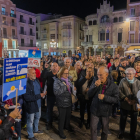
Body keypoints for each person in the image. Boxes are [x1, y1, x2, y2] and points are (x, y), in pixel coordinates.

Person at [88, 66, 119, 140]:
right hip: (95, 110)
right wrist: (94, 86)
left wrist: (104, 97)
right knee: (93, 129)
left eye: (101, 75)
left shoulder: (113, 85)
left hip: (106, 111)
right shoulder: (95, 81)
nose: (99, 77)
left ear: (106, 74)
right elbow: (89, 94)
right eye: (98, 74)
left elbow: (116, 99)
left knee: (105, 131)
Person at [53, 67, 76, 139]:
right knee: (62, 118)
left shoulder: (68, 80)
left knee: (68, 116)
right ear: (61, 73)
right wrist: (65, 87)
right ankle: (60, 131)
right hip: (61, 102)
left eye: (67, 73)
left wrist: (73, 89)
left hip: (69, 101)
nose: (67, 75)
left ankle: (67, 126)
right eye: (65, 73)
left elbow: (71, 88)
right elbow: (56, 92)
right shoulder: (57, 81)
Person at [118, 68, 140, 140]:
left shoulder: (138, 82)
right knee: (123, 119)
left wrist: (135, 100)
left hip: (134, 105)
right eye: (127, 74)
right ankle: (121, 132)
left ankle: (132, 134)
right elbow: (119, 91)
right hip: (125, 103)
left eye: (130, 74)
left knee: (134, 121)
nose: (129, 75)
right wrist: (126, 99)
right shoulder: (122, 81)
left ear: (134, 74)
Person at [24, 68, 46, 140]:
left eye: (35, 73)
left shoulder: (36, 80)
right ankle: (30, 135)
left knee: (38, 117)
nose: (35, 74)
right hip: (31, 105)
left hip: (38, 104)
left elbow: (39, 88)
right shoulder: (26, 84)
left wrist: (43, 91)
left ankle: (35, 129)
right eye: (33, 73)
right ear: (28, 75)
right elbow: (27, 98)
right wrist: (40, 95)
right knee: (30, 121)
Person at [44, 62, 59, 130]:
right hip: (50, 95)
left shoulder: (59, 75)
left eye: (56, 66)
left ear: (58, 67)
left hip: (58, 95)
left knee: (59, 109)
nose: (54, 67)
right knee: (49, 109)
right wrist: (45, 69)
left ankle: (59, 122)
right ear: (51, 67)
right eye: (53, 66)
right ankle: (49, 123)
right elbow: (43, 79)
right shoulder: (48, 74)